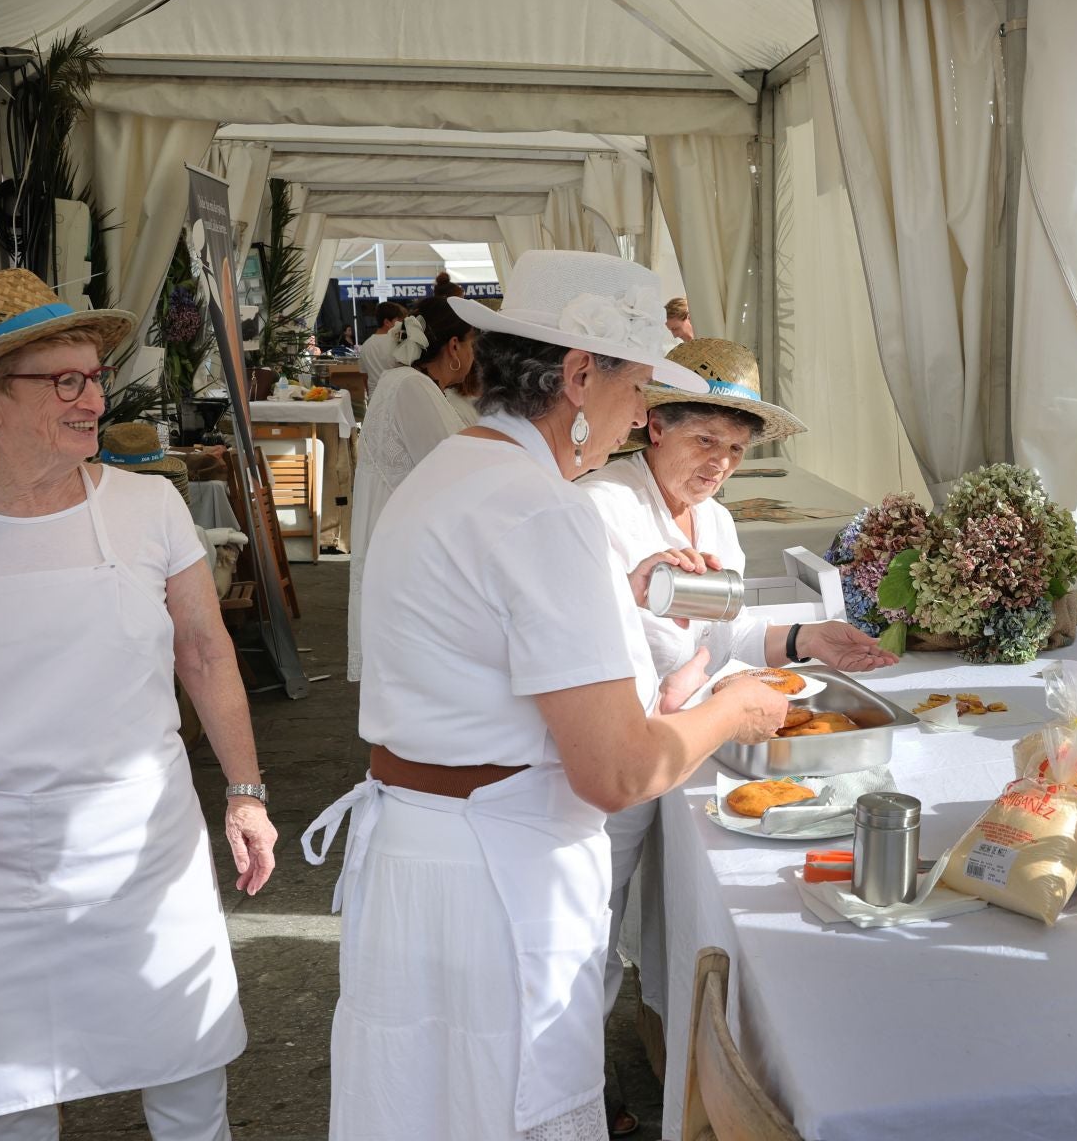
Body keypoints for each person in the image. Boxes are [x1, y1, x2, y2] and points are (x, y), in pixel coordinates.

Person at [302, 251, 789, 1141]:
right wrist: (730, 711)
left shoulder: (459, 470)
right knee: (497, 1100)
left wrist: (643, 642)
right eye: (639, 386)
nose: (642, 413)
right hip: (495, 875)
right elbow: (616, 770)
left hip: (428, 854)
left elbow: (489, 661)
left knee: (425, 1104)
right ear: (576, 375)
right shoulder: (543, 508)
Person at [0, 270, 275, 1140]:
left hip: (142, 848)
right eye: (65, 380)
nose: (92, 398)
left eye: (94, 376)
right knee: (7, 1109)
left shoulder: (149, 505)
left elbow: (204, 651)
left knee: (190, 1097)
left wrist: (246, 790)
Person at [580, 337, 895, 1134]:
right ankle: (576, 1097)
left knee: (624, 923)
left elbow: (722, 631)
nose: (719, 464)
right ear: (653, 426)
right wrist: (648, 604)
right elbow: (590, 639)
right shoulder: (602, 508)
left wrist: (808, 640)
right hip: (615, 753)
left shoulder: (715, 520)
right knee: (583, 929)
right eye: (703, 441)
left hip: (686, 746)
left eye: (734, 448)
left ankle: (604, 1067)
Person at [347, 297, 477, 682]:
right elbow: (449, 470)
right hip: (405, 544)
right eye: (471, 344)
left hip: (399, 535)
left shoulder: (405, 382)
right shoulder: (412, 387)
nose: (474, 355)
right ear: (454, 347)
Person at [357, 301, 409, 382]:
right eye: (399, 322)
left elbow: (364, 376)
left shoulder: (366, 345)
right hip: (395, 393)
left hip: (374, 393)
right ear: (387, 322)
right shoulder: (398, 343)